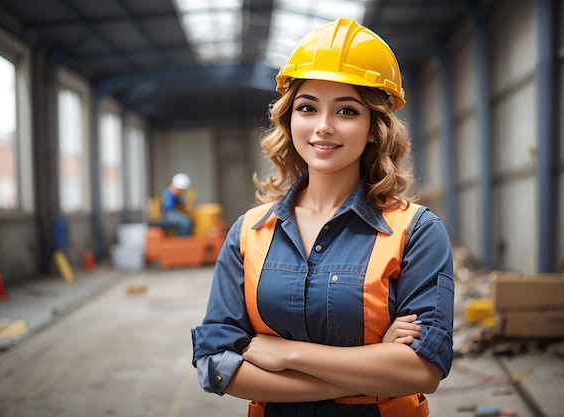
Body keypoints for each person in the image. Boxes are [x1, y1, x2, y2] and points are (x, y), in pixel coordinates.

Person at [191, 18, 454, 417]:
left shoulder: (416, 232)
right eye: (307, 108)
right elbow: (217, 366)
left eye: (346, 110)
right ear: (289, 118)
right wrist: (377, 361)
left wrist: (288, 353)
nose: (323, 127)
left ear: (372, 128)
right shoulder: (250, 232)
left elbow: (424, 369)